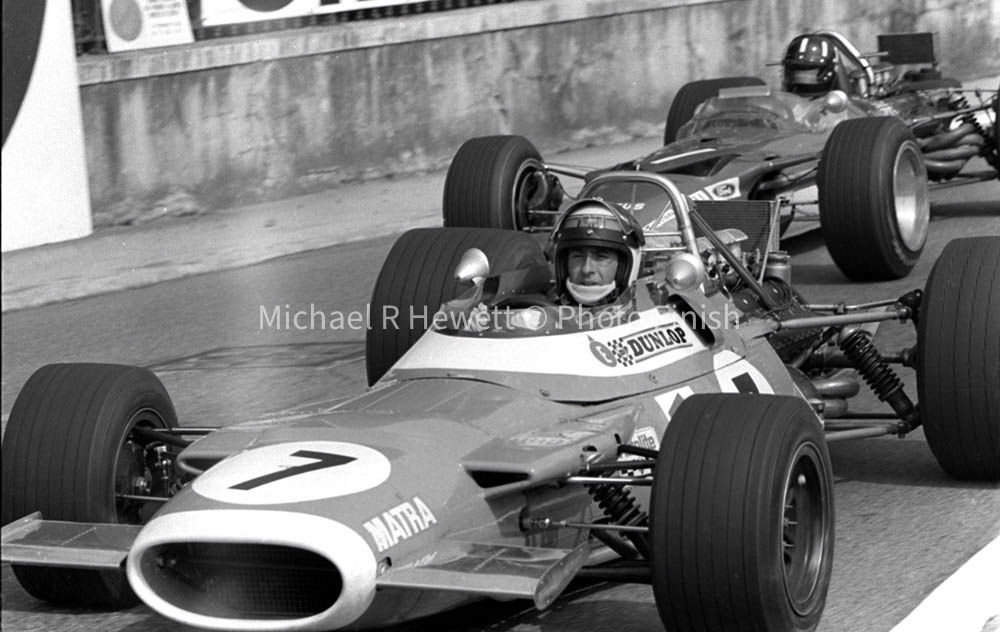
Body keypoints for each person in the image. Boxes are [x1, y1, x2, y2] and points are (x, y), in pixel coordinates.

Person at [436, 198, 647, 332]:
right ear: (561, 262)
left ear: (625, 267)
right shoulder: (533, 305)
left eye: (601, 257)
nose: (586, 269)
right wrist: (473, 323)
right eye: (576, 257)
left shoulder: (649, 312)